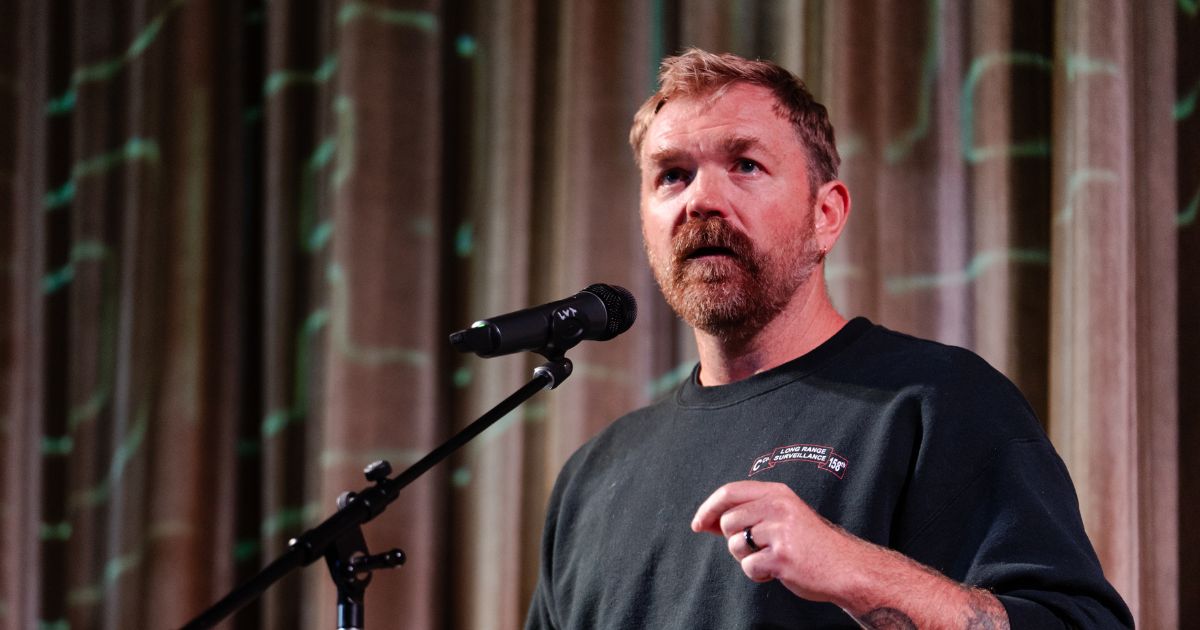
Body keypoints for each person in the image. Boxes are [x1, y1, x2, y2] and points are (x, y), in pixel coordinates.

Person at [524, 49, 1132, 629]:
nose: (702, 200)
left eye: (745, 165)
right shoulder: (593, 477)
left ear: (827, 215)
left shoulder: (939, 402)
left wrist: (853, 570)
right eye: (672, 175)